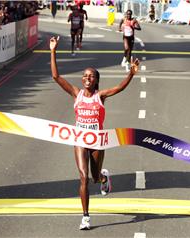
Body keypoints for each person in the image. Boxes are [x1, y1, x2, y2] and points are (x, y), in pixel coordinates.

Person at [49, 36, 139, 230]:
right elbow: (56, 77)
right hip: (80, 140)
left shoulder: (101, 96)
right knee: (83, 177)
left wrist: (131, 74)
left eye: (90, 76)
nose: (86, 79)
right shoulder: (76, 93)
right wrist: (53, 51)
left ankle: (104, 178)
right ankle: (86, 217)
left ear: (96, 80)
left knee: (95, 177)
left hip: (97, 141)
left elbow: (119, 88)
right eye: (84, 76)